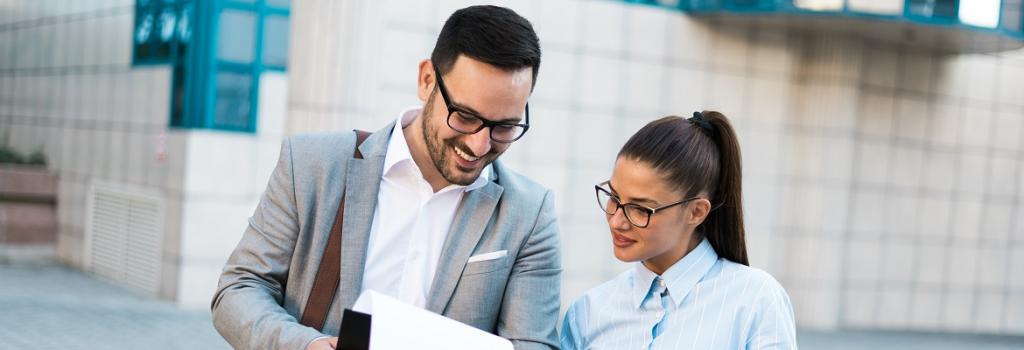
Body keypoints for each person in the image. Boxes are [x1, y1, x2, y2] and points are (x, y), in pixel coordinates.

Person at [212, 6, 560, 349]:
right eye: (465, 116)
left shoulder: (529, 214)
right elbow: (239, 289)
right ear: (427, 80)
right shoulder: (311, 164)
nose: (479, 144)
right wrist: (307, 345)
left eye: (504, 126)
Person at [560, 112, 796, 349]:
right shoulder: (588, 313)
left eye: (640, 209)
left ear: (696, 212)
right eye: (613, 197)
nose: (616, 222)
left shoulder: (756, 300)